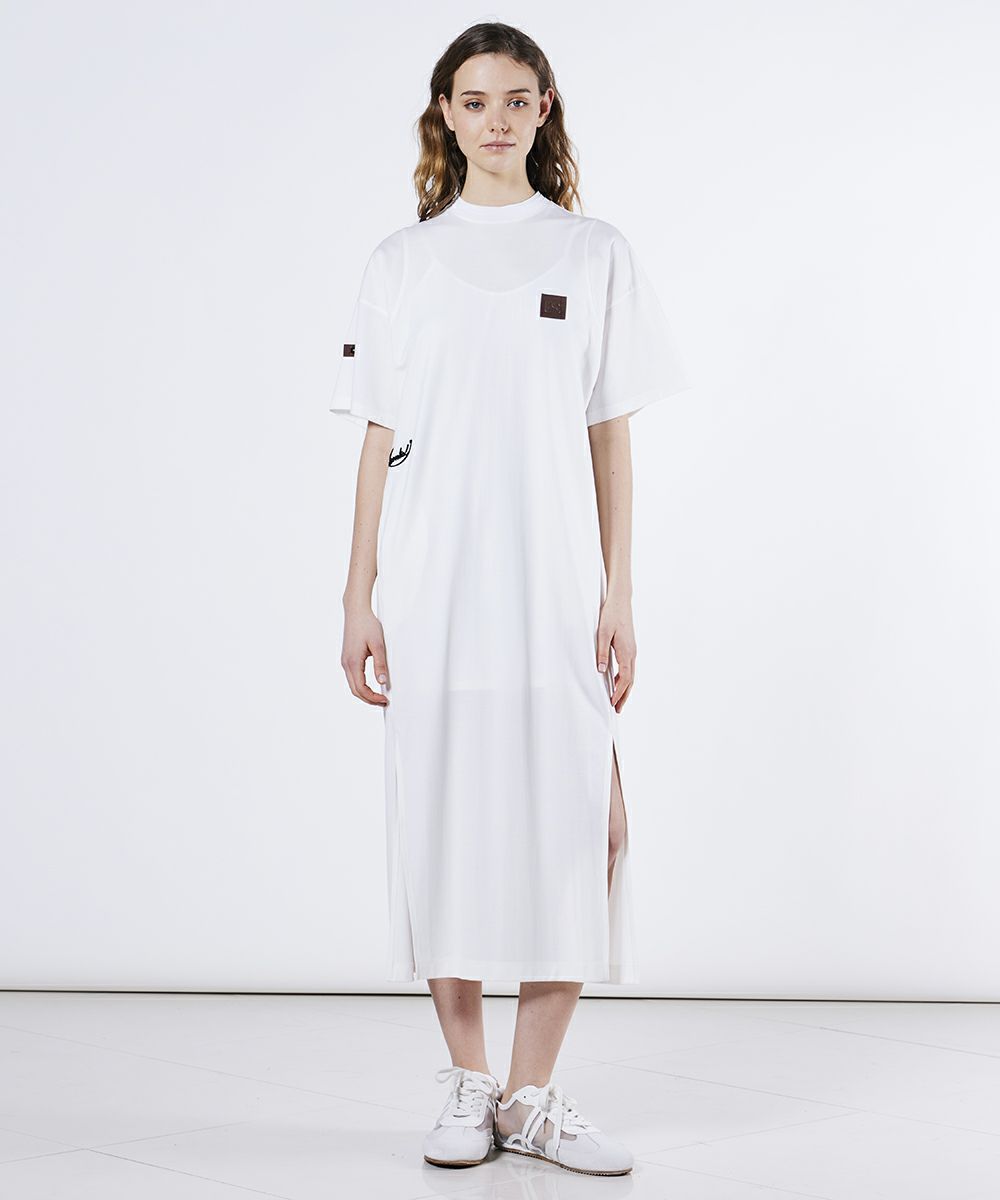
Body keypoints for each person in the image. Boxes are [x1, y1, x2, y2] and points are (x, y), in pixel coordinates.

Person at [330, 20, 691, 1178]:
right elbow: (379, 439)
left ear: (544, 111)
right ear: (445, 111)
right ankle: (469, 1082)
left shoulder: (593, 254)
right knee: (445, 821)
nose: (495, 118)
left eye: (516, 98)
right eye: (474, 98)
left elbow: (609, 437)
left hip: (554, 591)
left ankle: (531, 1097)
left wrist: (618, 592)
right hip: (434, 590)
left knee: (583, 827)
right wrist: (358, 595)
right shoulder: (402, 262)